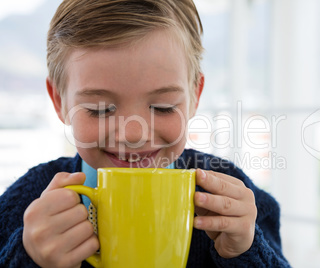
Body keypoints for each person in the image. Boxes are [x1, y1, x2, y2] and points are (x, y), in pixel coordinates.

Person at [0, 0, 291, 267]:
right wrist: (28, 259)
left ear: (195, 97)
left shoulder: (233, 201)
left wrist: (245, 251)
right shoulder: (26, 206)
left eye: (163, 107)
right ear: (59, 101)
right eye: (99, 109)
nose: (133, 134)